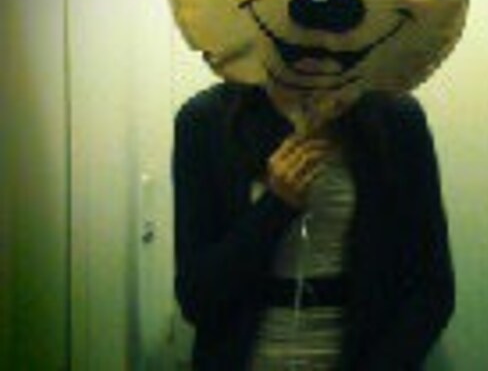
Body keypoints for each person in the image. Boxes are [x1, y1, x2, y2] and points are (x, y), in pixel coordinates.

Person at [173, 81, 455, 370]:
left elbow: (432, 289)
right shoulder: (207, 119)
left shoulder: (395, 118)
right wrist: (276, 207)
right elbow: (196, 298)